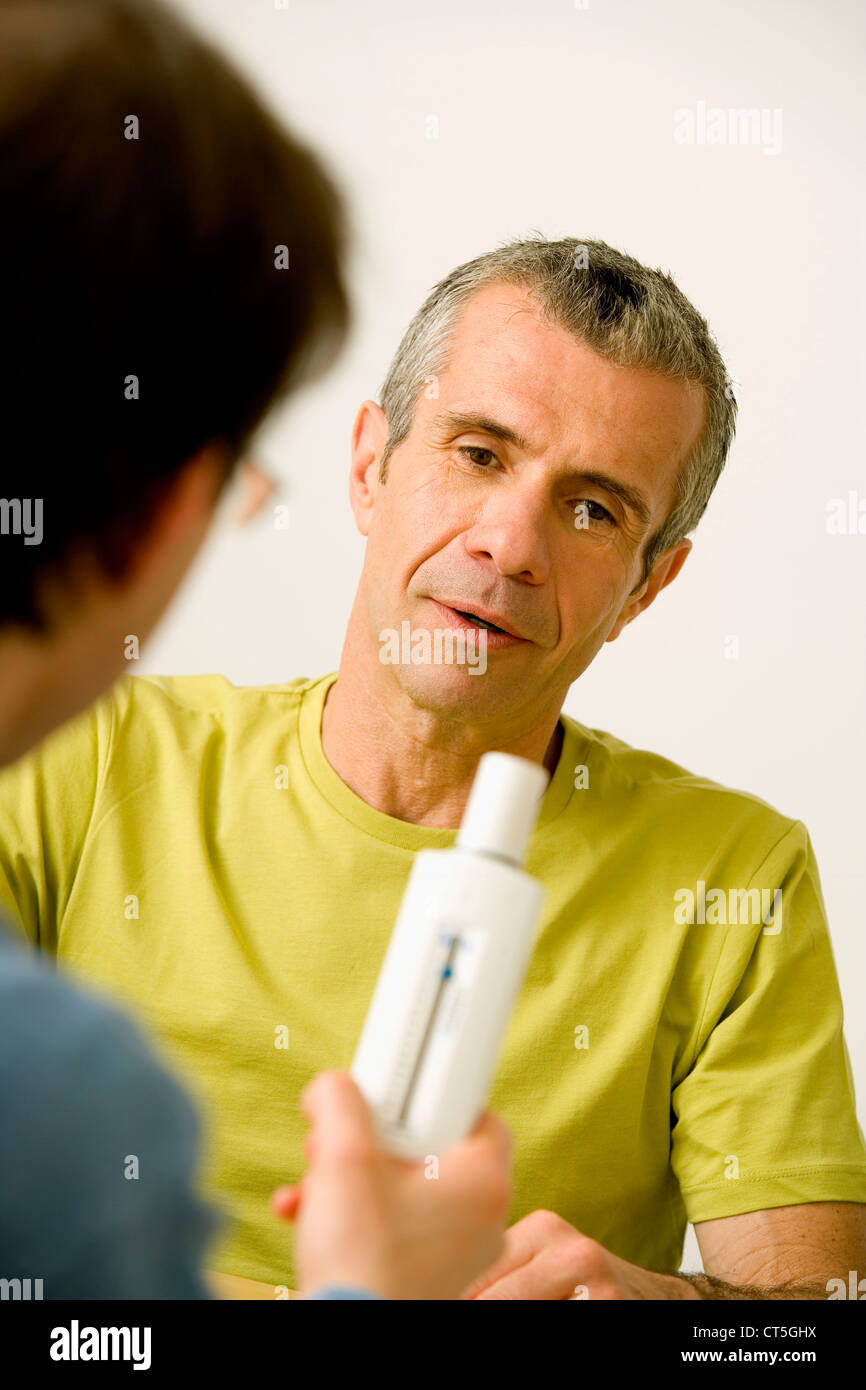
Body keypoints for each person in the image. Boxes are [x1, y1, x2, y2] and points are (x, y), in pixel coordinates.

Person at [0, 0, 512, 1302]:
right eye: (473, 453)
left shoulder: (742, 868)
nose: (506, 544)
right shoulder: (59, 1095)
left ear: (654, 580)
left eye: (593, 505)